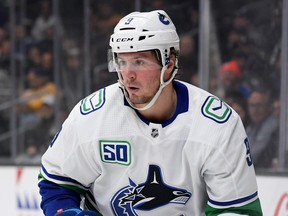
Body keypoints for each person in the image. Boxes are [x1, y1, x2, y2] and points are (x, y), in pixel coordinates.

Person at [38, 10, 262, 216]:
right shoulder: (92, 116)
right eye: (122, 61)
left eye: (139, 62)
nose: (127, 75)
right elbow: (57, 182)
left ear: (169, 62)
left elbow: (238, 209)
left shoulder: (217, 125)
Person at [246, 87, 279, 169]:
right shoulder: (251, 128)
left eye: (258, 105)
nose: (255, 110)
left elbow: (253, 155)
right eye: (252, 105)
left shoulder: (273, 127)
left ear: (268, 107)